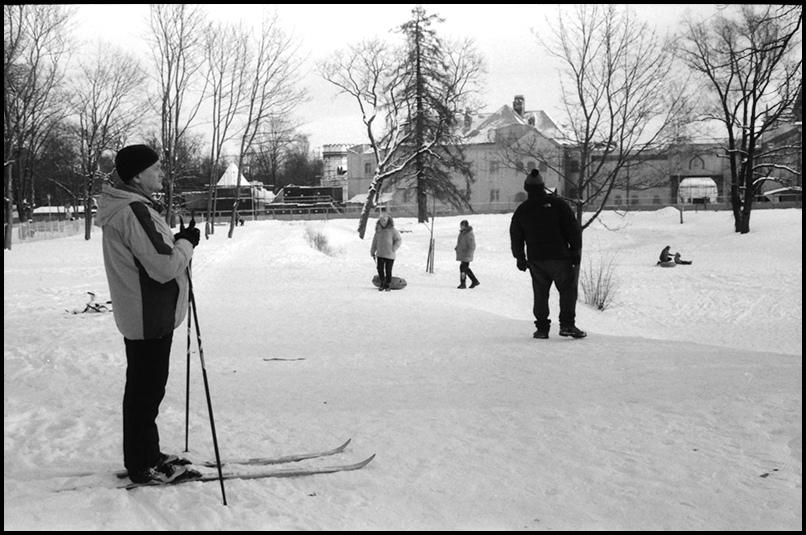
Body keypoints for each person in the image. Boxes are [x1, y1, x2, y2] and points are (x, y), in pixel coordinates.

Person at [95, 144, 201, 484]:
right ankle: (143, 463)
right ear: (138, 175)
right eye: (156, 169)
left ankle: (145, 454)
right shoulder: (133, 210)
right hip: (147, 313)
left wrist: (178, 240)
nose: (161, 174)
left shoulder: (130, 207)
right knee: (145, 391)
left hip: (143, 311)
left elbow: (154, 254)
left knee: (144, 389)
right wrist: (187, 243)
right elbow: (164, 266)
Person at [510, 169, 586, 339]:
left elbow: (516, 236)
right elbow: (572, 229)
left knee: (540, 293)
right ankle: (567, 325)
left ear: (526, 188)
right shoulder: (558, 205)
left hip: (536, 259)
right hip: (560, 256)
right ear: (543, 186)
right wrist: (575, 251)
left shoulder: (522, 210)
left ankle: (542, 329)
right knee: (567, 290)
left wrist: (520, 258)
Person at [370, 212, 402, 291]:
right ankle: (382, 283)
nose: (383, 222)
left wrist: (394, 248)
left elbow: (398, 240)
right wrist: (372, 251)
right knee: (380, 268)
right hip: (380, 254)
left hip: (390, 254)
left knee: (388, 269)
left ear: (388, 221)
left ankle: (388, 284)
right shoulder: (378, 231)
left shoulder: (393, 230)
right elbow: (375, 242)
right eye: (381, 221)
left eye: (384, 220)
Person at [455, 219, 480, 289]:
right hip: (463, 253)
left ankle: (463, 283)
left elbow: (472, 245)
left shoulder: (469, 234)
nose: (461, 227)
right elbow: (461, 242)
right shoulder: (462, 233)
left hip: (466, 254)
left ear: (465, 226)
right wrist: (457, 247)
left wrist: (469, 254)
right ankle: (474, 281)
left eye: (462, 225)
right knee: (465, 268)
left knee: (463, 268)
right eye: (460, 225)